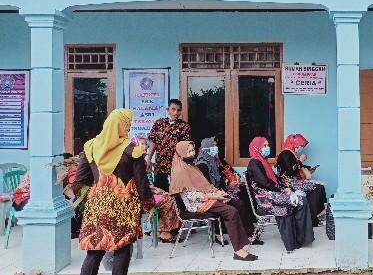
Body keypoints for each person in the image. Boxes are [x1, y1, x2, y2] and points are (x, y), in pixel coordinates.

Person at [75, 109, 153, 275]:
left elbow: (81, 177)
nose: (128, 129)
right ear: (120, 125)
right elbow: (141, 183)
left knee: (95, 249)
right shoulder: (132, 150)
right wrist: (149, 204)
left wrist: (100, 186)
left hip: (98, 206)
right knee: (122, 248)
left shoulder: (91, 146)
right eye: (127, 125)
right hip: (123, 207)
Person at [170, 141, 260, 261]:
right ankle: (238, 251)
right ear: (181, 153)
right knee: (231, 211)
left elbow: (204, 186)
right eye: (189, 151)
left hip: (207, 198)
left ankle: (248, 236)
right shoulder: (180, 171)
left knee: (239, 203)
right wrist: (214, 197)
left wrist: (218, 193)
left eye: (193, 150)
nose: (192, 154)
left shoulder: (192, 167)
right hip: (197, 204)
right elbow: (191, 196)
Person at [246, 137, 314, 252]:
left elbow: (274, 180)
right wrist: (282, 190)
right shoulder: (254, 163)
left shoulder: (263, 161)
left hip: (272, 194)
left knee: (300, 199)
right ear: (257, 147)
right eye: (264, 146)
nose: (267, 148)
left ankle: (300, 239)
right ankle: (299, 240)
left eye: (267, 145)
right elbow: (265, 183)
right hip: (265, 199)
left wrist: (284, 188)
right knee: (300, 201)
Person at [276, 134, 327, 227]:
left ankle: (314, 216)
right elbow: (290, 170)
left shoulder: (291, 154)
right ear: (293, 143)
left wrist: (308, 168)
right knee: (317, 189)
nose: (300, 148)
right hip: (289, 183)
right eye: (299, 146)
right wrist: (300, 161)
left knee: (319, 187)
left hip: (294, 182)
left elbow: (295, 168)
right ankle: (311, 219)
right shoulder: (285, 154)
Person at [146, 99, 192, 192]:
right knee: (160, 193)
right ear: (168, 110)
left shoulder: (184, 126)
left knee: (177, 193)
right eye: (173, 109)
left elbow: (185, 148)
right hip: (160, 166)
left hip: (176, 166)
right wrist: (149, 158)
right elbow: (153, 141)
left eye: (178, 110)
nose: (176, 113)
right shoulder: (159, 123)